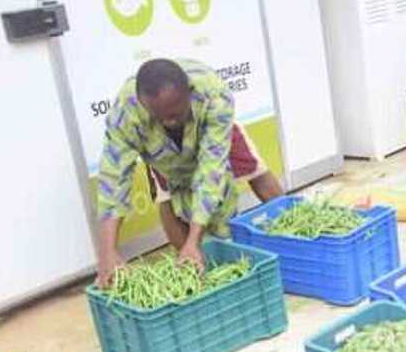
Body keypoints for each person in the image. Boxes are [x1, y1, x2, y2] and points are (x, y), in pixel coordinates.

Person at [93, 58, 283, 287]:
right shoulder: (126, 111)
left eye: (173, 114)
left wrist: (196, 237)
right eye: (158, 116)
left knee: (254, 170)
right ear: (144, 103)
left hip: (212, 139)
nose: (168, 122)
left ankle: (288, 235)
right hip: (163, 153)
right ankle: (192, 267)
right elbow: (113, 179)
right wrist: (107, 252)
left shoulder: (213, 95)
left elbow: (211, 171)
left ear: (189, 94)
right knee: (168, 197)